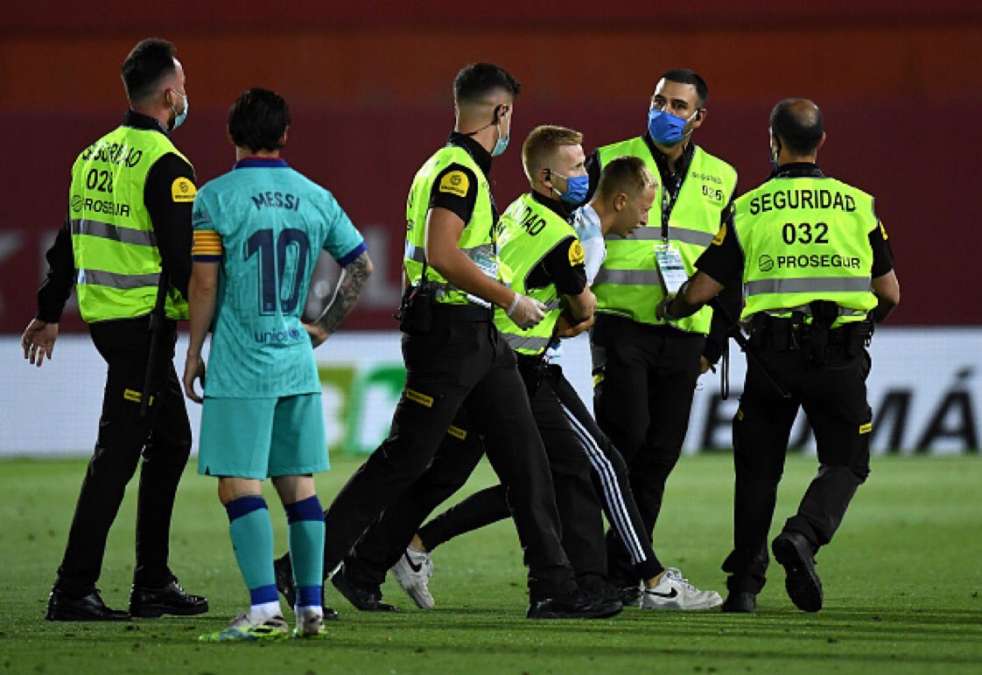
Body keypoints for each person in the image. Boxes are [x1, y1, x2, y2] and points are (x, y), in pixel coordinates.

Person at [279, 64, 619, 620]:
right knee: (404, 460)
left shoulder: (445, 166)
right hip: (451, 336)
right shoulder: (459, 172)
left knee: (527, 463)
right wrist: (511, 299)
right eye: (511, 114)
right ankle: (300, 571)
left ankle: (553, 588)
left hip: (476, 336)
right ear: (502, 112)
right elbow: (442, 253)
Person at [383, 155, 722, 612]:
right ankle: (652, 579)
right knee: (598, 466)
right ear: (620, 201)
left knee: (513, 477)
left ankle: (404, 546)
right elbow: (572, 312)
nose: (645, 220)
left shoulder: (555, 216)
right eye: (644, 209)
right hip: (521, 365)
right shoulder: (587, 242)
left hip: (496, 356)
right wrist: (578, 318)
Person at [658, 98, 900, 613]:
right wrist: (856, 330)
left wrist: (671, 307)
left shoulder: (749, 207)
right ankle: (803, 535)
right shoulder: (859, 205)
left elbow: (701, 291)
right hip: (840, 357)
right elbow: (890, 292)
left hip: (772, 359)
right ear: (822, 141)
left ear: (773, 140)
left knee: (757, 472)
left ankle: (743, 589)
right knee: (846, 462)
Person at [22, 38, 207, 621]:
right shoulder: (167, 164)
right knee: (117, 455)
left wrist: (50, 310)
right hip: (142, 328)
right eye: (183, 86)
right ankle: (73, 589)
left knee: (170, 442)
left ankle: (153, 581)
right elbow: (182, 260)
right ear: (169, 95)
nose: (186, 96)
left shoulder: (92, 156)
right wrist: (210, 328)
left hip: (108, 320)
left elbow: (67, 241)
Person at [182, 88, 373, 641]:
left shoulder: (214, 198)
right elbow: (360, 266)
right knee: (298, 487)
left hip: (242, 363)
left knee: (238, 486)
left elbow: (204, 283)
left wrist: (194, 352)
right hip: (294, 360)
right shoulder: (316, 196)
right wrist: (323, 327)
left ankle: (265, 608)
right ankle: (310, 607)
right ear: (285, 134)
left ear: (232, 135)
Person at [585, 68, 740, 600]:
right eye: (658, 101)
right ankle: (602, 569)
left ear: (699, 117)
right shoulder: (608, 160)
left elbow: (729, 264)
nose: (665, 113)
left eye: (678, 106)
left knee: (659, 457)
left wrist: (714, 344)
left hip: (686, 335)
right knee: (623, 445)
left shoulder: (723, 176)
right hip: (620, 325)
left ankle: (622, 575)